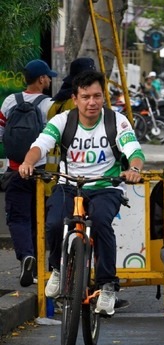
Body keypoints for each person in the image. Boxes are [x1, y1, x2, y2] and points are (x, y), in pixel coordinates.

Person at [18, 70, 145, 317]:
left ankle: (107, 286)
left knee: (100, 223)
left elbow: (134, 150)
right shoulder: (63, 121)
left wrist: (134, 169)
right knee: (54, 224)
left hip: (106, 186)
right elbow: (40, 146)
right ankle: (56, 268)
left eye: (97, 96)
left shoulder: (116, 121)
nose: (92, 102)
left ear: (103, 97)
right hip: (69, 184)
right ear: (75, 99)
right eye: (86, 96)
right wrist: (27, 162)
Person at [0, 59, 56, 287]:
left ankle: (26, 256)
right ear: (41, 79)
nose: (49, 80)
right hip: (42, 173)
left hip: (15, 170)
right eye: (48, 76)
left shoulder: (10, 101)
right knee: (39, 219)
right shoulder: (49, 105)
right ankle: (38, 266)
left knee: (18, 217)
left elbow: (1, 132)